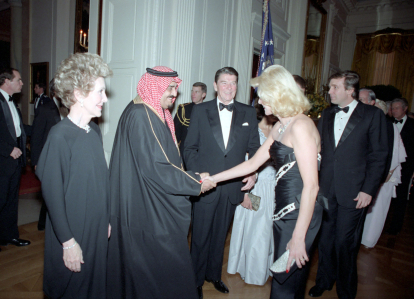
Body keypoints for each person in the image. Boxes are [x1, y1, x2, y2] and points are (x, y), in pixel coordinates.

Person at [203, 65, 323, 298]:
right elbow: (252, 164)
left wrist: (299, 237)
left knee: (286, 286)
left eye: (264, 97)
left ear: (279, 94)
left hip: (301, 213)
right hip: (282, 211)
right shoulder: (281, 126)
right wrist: (212, 179)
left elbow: (312, 186)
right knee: (282, 281)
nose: (260, 103)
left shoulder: (301, 126)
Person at [107, 66, 215, 299]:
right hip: (148, 205)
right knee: (164, 260)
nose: (174, 94)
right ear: (154, 87)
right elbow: (158, 168)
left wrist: (193, 175)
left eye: (176, 88)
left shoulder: (150, 111)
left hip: (146, 198)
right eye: (170, 88)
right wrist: (196, 183)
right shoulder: (141, 116)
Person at [35, 53, 112, 298]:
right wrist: (68, 242)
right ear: (78, 94)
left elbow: (100, 182)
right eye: (100, 92)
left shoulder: (94, 131)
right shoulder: (59, 137)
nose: (105, 99)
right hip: (73, 231)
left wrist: (106, 219)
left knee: (95, 287)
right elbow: (52, 196)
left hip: (96, 228)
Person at [309, 71, 388, 299]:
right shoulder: (326, 113)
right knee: (324, 241)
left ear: (349, 90)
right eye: (330, 87)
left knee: (345, 244)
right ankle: (324, 281)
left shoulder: (372, 115)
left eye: (334, 87)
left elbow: (379, 156)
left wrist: (368, 190)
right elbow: (320, 149)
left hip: (355, 192)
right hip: (326, 189)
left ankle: (346, 291)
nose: (330, 92)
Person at [183, 67, 260, 298]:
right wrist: (199, 177)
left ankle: (213, 275)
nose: (229, 87)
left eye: (234, 82)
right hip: (206, 186)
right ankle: (195, 280)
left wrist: (254, 172)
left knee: (220, 235)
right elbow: (189, 148)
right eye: (224, 83)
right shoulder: (200, 110)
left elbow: (256, 149)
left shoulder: (248, 112)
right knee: (200, 236)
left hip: (232, 187)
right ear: (215, 86)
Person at [227, 102, 277, 285]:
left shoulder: (281, 128)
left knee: (269, 230)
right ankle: (253, 272)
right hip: (254, 188)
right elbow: (241, 162)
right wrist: (244, 195)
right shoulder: (251, 129)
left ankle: (267, 266)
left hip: (275, 188)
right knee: (256, 230)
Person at [361, 99, 406, 247]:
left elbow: (394, 154)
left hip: (386, 175)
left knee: (378, 210)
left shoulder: (390, 127)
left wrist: (385, 174)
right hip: (370, 174)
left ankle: (369, 240)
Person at [0, 68, 30, 251]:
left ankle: (9, 236)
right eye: (18, 80)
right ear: (6, 81)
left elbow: (19, 128)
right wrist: (8, 150)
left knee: (11, 201)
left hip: (15, 161)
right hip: (3, 160)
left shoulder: (12, 102)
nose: (22, 83)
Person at [32, 79, 62, 231]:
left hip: (64, 157)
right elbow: (36, 136)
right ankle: (43, 224)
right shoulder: (45, 108)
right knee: (50, 192)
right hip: (48, 156)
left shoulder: (72, 107)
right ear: (55, 91)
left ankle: (48, 224)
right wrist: (36, 161)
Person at [386, 98, 414, 235]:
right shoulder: (387, 123)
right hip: (387, 166)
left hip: (405, 168)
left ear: (405, 109)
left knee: (401, 198)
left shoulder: (413, 125)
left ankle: (395, 226)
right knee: (384, 195)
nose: (394, 110)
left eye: (397, 108)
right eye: (393, 108)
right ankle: (382, 224)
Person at [174, 82, 207, 155]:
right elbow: (176, 133)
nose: (193, 94)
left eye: (197, 92)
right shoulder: (183, 109)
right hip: (184, 151)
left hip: (201, 153)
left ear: (203, 95)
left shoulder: (208, 110)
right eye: (192, 91)